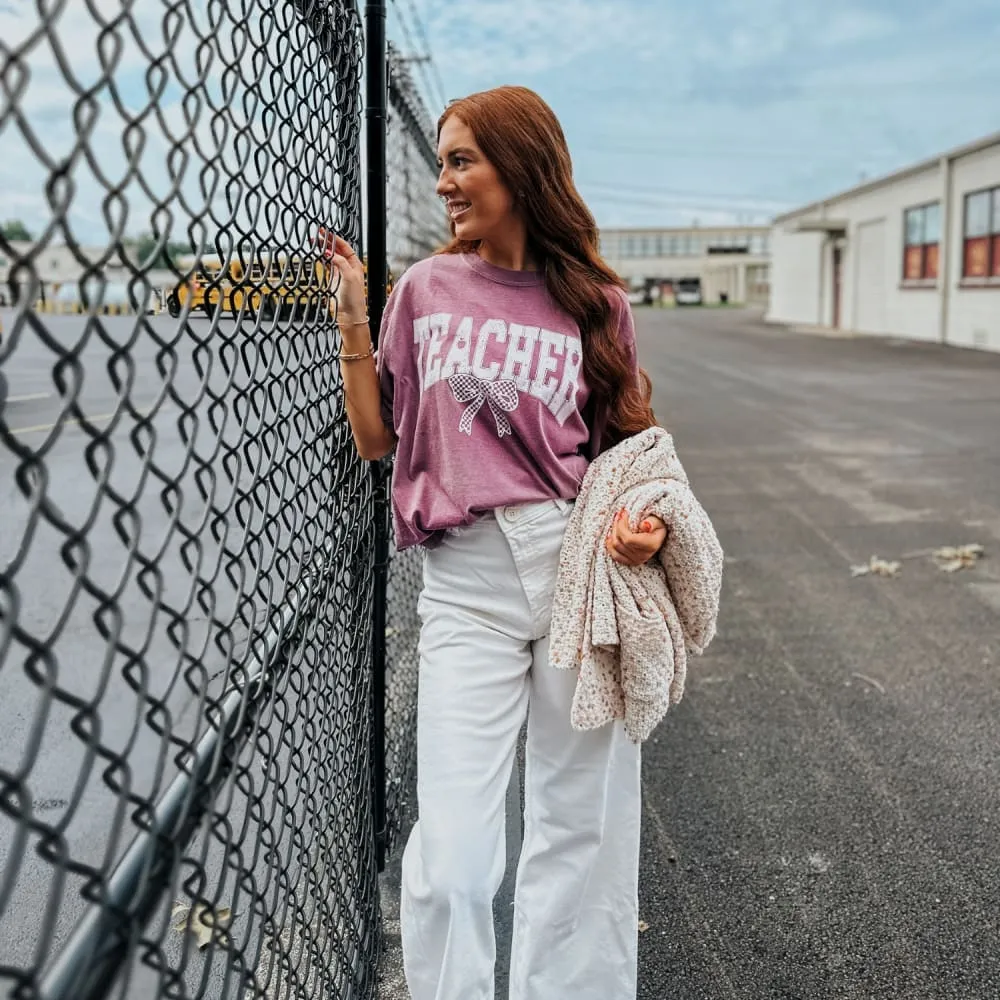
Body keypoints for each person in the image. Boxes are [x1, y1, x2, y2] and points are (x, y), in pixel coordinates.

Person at [325, 85, 667, 1000]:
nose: (445, 182)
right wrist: (356, 315)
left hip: (576, 570)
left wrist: (644, 531)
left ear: (521, 165)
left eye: (462, 159)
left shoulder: (596, 302)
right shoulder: (428, 292)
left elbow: (628, 451)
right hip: (465, 584)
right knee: (457, 858)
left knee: (577, 830)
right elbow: (375, 438)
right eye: (440, 161)